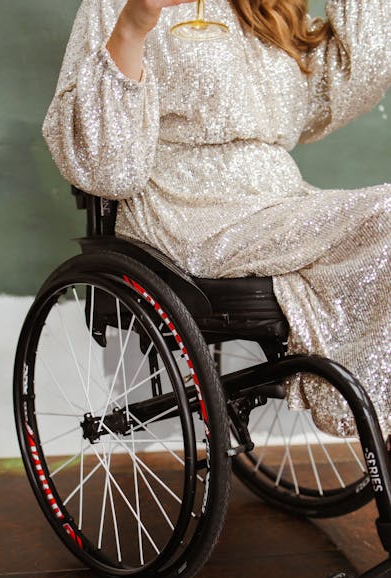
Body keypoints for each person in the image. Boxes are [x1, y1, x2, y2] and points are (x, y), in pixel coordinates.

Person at [42, 0, 390, 438]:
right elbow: (109, 169)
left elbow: (350, 81)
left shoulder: (268, 7)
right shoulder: (114, 5)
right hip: (188, 212)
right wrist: (133, 25)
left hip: (280, 204)